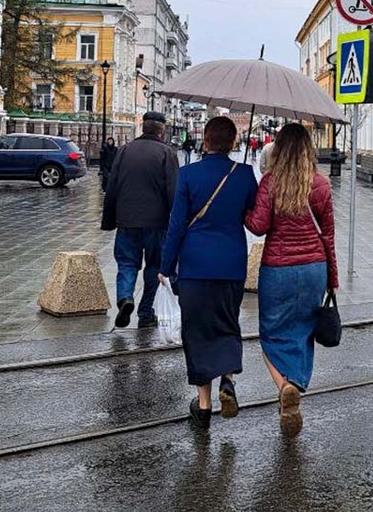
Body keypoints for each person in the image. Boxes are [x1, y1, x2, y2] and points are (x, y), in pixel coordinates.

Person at [159, 117, 258, 429]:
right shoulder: (244, 174)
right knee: (227, 323)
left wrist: (165, 266)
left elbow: (176, 225)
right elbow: (252, 215)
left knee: (197, 331)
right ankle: (227, 380)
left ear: (205, 140)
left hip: (195, 266)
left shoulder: (188, 174)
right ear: (233, 142)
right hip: (231, 264)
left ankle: (203, 406)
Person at [245, 123, 338, 437]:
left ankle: (285, 386)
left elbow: (258, 227)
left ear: (279, 149)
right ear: (308, 149)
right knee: (304, 330)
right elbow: (328, 237)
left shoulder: (271, 182)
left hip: (278, 269)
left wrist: (246, 211)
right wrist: (332, 279)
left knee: (271, 332)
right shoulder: (320, 184)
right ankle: (296, 382)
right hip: (314, 269)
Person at [102, 112, 180, 329]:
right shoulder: (167, 153)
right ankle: (146, 313)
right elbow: (173, 190)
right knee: (155, 265)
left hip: (127, 220)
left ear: (142, 127)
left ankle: (125, 298)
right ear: (161, 131)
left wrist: (108, 219)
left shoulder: (125, 150)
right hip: (157, 223)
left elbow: (112, 186)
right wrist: (177, 222)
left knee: (127, 263)